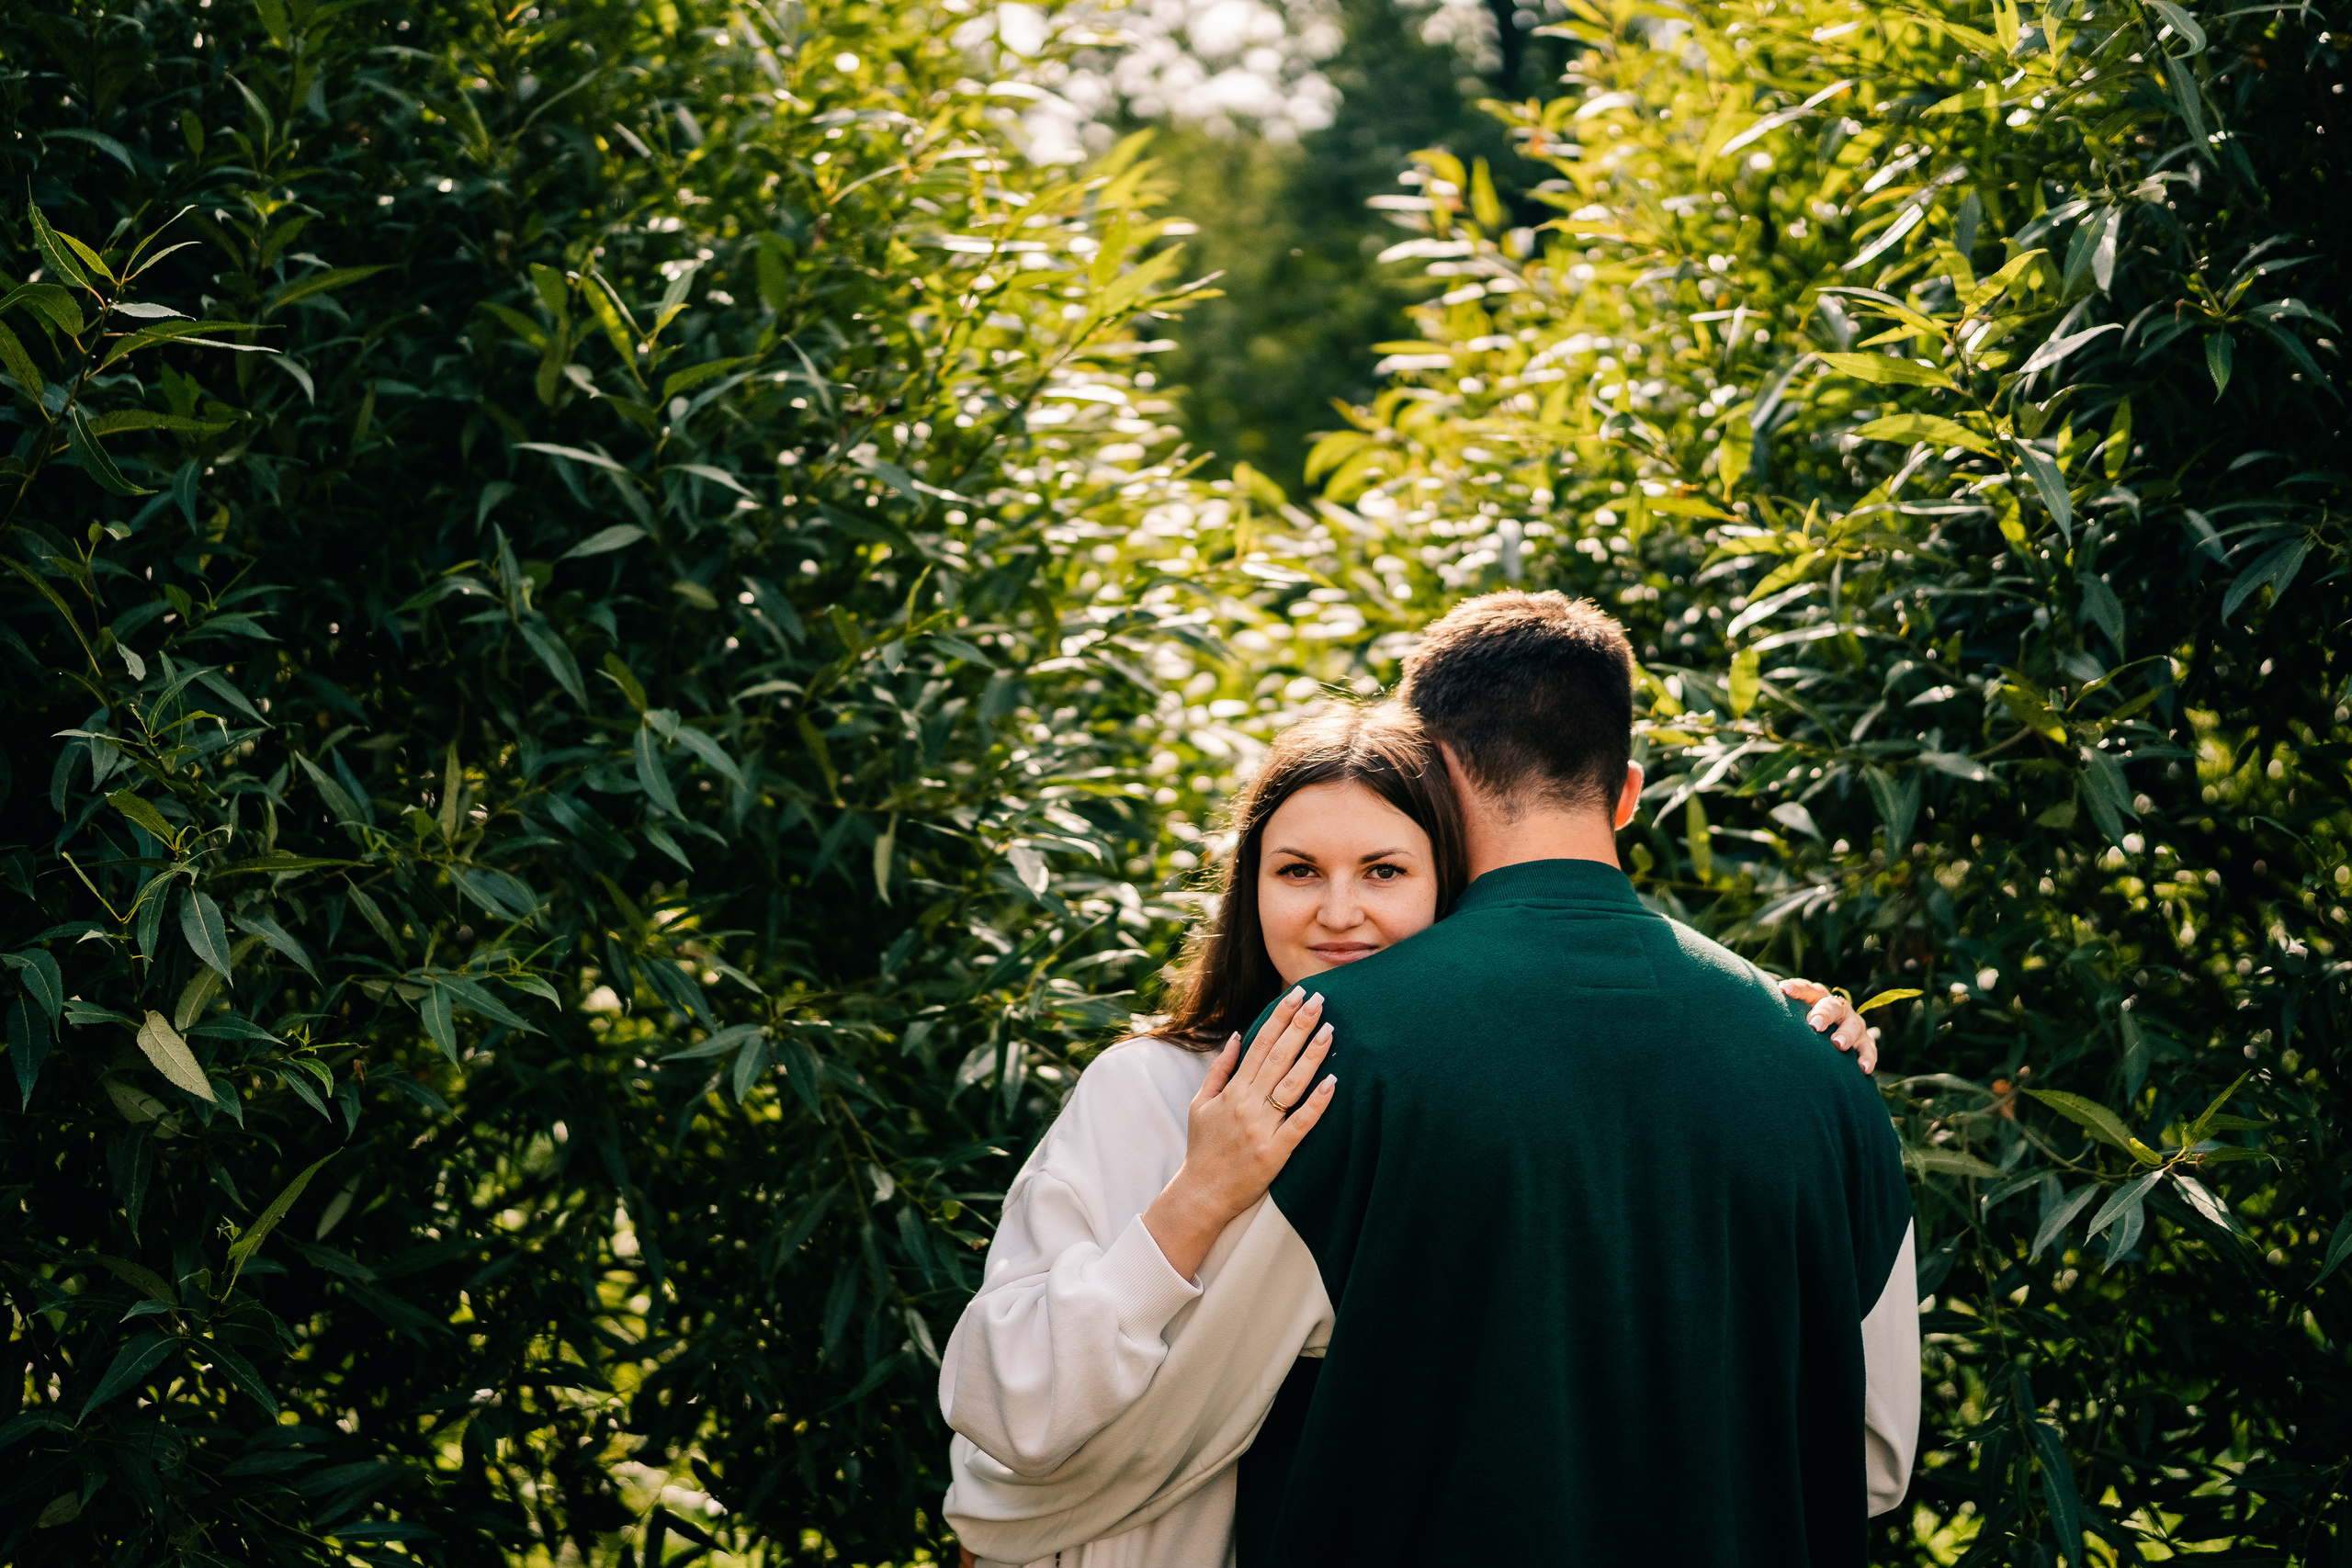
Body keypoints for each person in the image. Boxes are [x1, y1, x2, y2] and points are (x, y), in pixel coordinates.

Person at [940, 626, 1904, 1566]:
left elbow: (1205, 1411)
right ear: (1625, 797)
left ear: (1444, 811)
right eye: (1297, 872)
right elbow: (1865, 1456)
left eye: (1385, 870)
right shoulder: (1818, 1080)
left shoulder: (1366, 1070)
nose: (1339, 912)